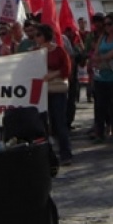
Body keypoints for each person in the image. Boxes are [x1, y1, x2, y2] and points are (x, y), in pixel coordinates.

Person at [35, 24, 73, 165]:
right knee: (43, 124)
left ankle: (66, 154)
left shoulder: (59, 50)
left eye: (38, 35)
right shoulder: (34, 52)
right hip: (41, 92)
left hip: (56, 90)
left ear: (46, 35)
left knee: (59, 122)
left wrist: (53, 74)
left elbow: (67, 69)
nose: (36, 38)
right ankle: (47, 156)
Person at [91, 13, 113, 142]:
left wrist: (102, 58)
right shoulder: (102, 37)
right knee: (100, 106)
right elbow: (95, 53)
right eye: (105, 24)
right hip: (101, 76)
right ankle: (99, 132)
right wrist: (97, 59)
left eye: (109, 24)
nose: (107, 27)